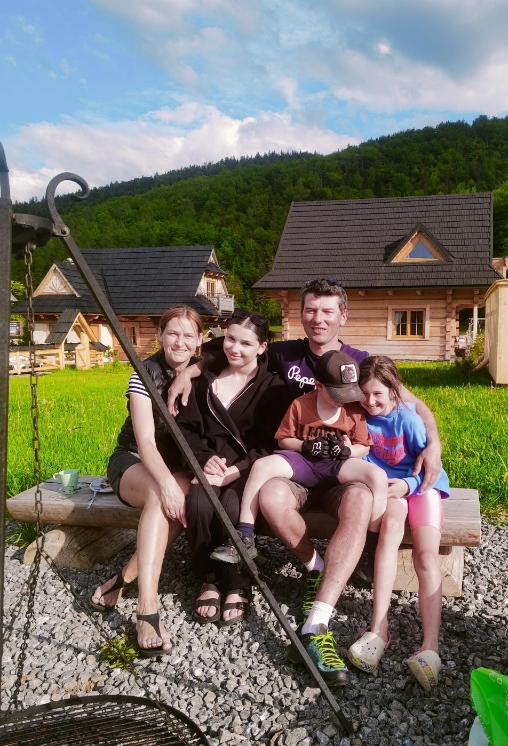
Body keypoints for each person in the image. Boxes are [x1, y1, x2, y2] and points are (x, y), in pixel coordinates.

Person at [168, 278, 443, 686]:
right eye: (311, 310)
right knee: (269, 493)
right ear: (301, 314)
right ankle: (315, 565)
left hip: (339, 471)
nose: (318, 319)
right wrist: (187, 373)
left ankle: (317, 621)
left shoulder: (357, 361)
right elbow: (223, 347)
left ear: (343, 316)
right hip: (295, 465)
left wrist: (434, 441)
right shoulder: (284, 352)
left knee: (360, 499)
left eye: (328, 311)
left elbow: (409, 401)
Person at [90, 305, 202, 657]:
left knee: (178, 506)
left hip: (176, 466)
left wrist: (194, 370)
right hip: (135, 461)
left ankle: (122, 579)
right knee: (160, 496)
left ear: (200, 340)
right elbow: (146, 443)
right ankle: (147, 609)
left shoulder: (204, 370)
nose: (180, 342)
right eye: (173, 333)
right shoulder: (143, 374)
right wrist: (167, 484)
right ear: (160, 336)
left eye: (188, 335)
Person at [210, 349, 388, 565]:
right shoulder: (301, 405)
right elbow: (283, 440)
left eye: (349, 392)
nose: (344, 400)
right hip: (305, 463)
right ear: (319, 385)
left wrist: (348, 451)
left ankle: (373, 542)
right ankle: (245, 535)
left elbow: (364, 447)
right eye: (338, 394)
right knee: (261, 466)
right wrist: (305, 445)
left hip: (337, 465)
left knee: (377, 476)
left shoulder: (353, 410)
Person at [177, 310, 289, 625]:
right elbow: (186, 430)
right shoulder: (203, 380)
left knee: (231, 504)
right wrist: (201, 460)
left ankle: (238, 581)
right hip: (207, 465)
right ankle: (209, 577)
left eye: (246, 343)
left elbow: (270, 443)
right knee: (199, 503)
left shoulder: (273, 388)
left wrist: (236, 470)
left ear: (262, 347)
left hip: (247, 470)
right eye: (230, 339)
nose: (235, 349)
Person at [347, 355, 450, 691]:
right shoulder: (360, 419)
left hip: (421, 487)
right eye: (364, 394)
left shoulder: (408, 420)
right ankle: (378, 628)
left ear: (393, 390)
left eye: (378, 394)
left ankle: (430, 645)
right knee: (388, 535)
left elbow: (431, 470)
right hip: (389, 491)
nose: (370, 401)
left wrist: (408, 485)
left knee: (426, 555)